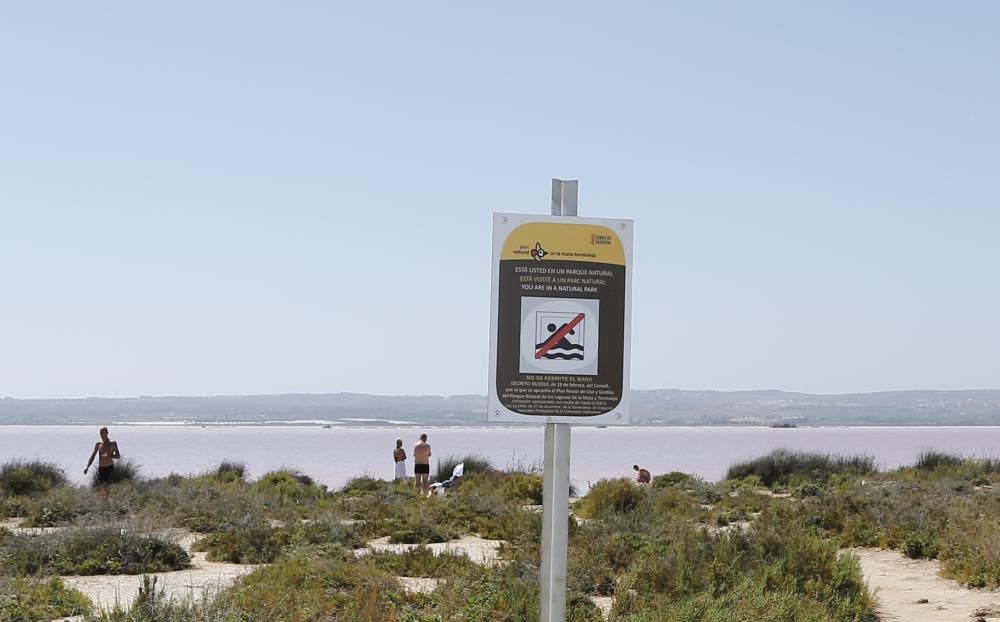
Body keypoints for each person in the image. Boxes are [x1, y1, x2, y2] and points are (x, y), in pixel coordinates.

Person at [85, 427, 121, 495]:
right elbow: (93, 456)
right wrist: (87, 467)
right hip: (101, 468)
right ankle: (106, 501)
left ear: (107, 433)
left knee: (106, 485)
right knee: (103, 487)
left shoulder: (112, 444)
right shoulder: (98, 445)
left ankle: (109, 501)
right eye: (101, 433)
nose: (102, 435)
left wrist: (109, 455)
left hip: (109, 467)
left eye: (103, 433)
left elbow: (118, 456)